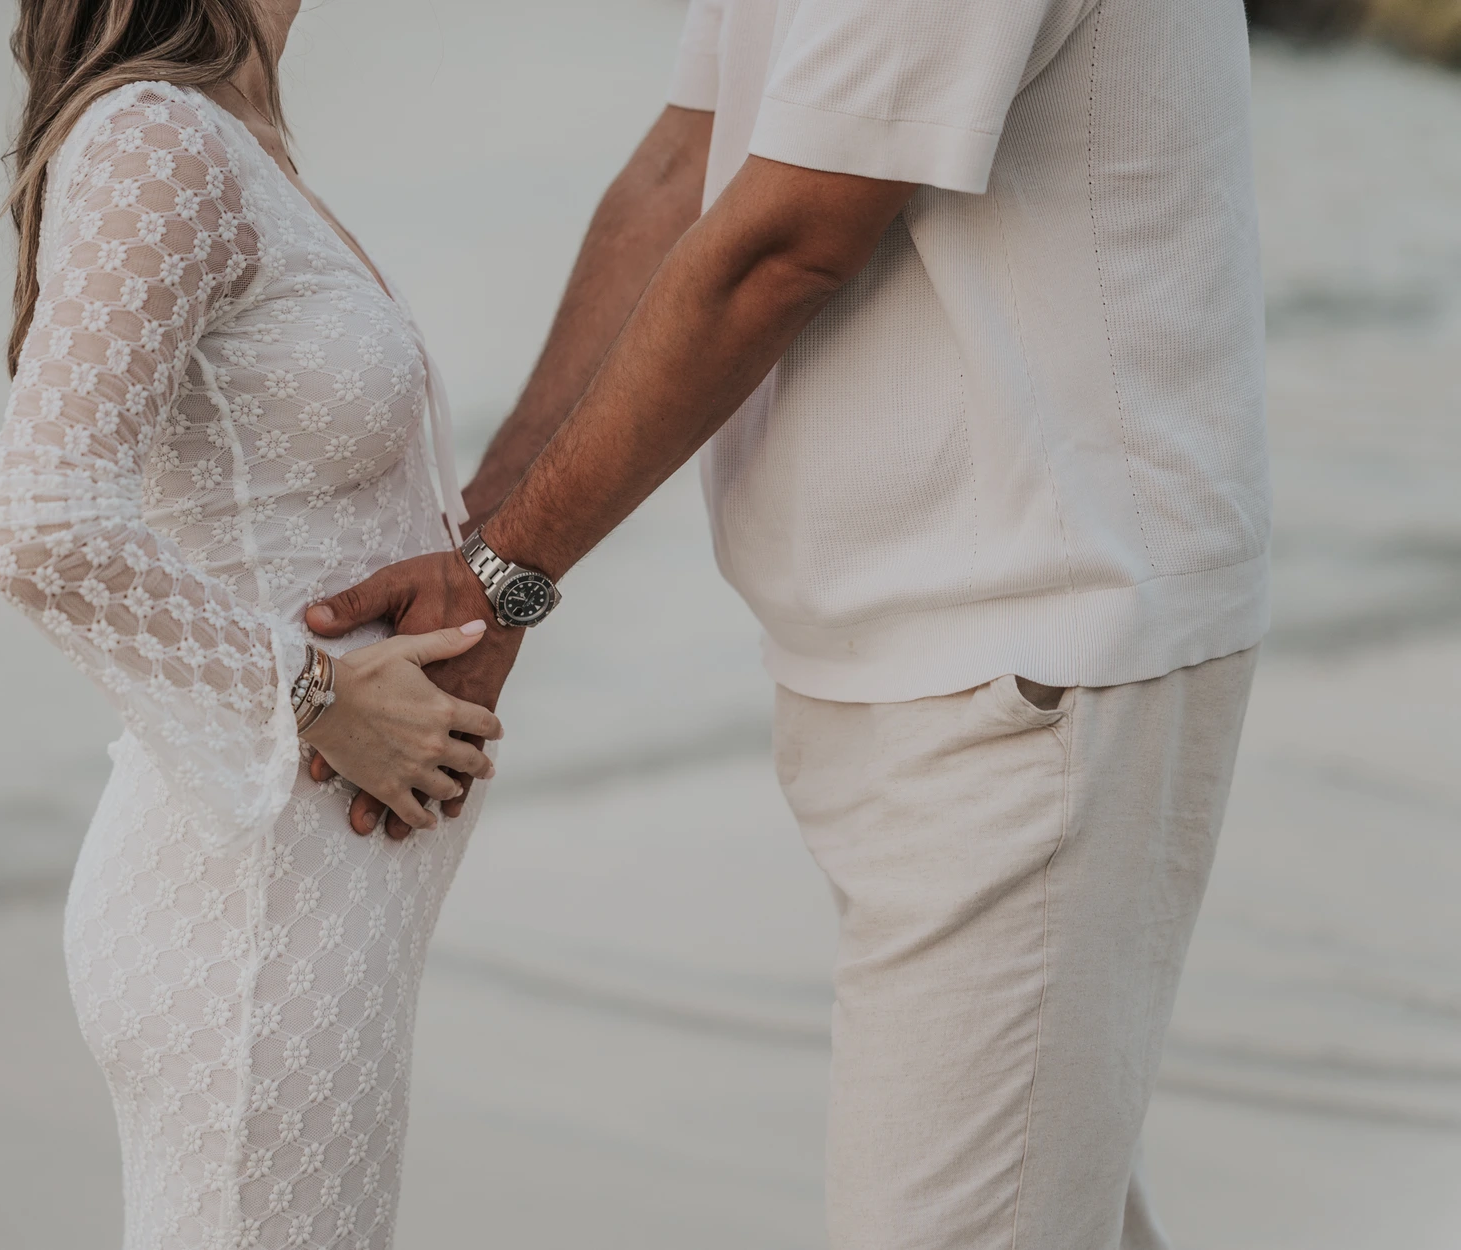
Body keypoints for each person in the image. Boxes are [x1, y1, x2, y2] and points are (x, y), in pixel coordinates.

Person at [307, 0, 1270, 1245]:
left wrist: (503, 580)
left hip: (1029, 645)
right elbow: (686, 165)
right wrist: (477, 535)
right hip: (919, 645)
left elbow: (788, 242)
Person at [0, 2, 503, 1245]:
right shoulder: (160, 139)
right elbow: (40, 516)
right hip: (248, 915)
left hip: (305, 913)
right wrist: (309, 690)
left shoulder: (231, 136)